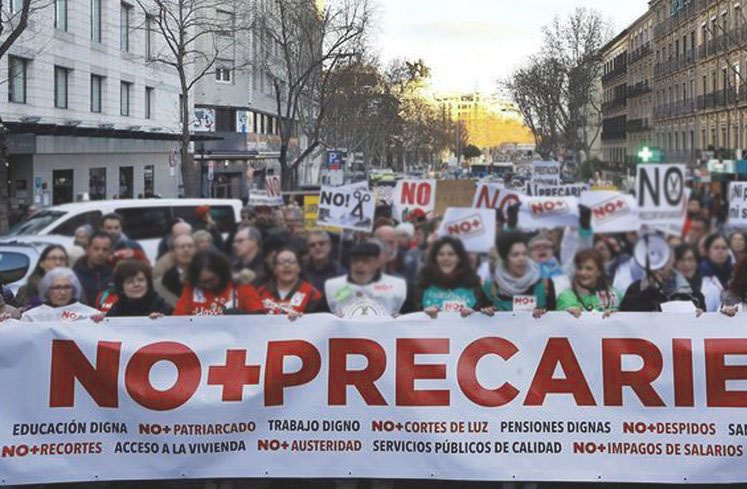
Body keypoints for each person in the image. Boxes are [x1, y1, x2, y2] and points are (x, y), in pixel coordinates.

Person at [324, 241, 409, 318]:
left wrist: (403, 318)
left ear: (377, 263)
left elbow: (411, 318)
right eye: (355, 260)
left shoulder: (397, 286)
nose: (359, 265)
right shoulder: (334, 286)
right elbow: (320, 318)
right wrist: (330, 318)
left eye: (366, 261)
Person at [415, 236, 489, 317]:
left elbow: (484, 316)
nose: (445, 258)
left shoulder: (474, 284)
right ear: (435, 258)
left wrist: (474, 313)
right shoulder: (423, 284)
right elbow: (411, 317)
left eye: (451, 254)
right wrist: (425, 315)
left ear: (459, 258)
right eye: (440, 254)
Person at [483, 233, 556, 314]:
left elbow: (553, 316)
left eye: (524, 254)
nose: (522, 259)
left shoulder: (544, 283)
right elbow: (479, 318)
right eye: (515, 255)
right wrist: (487, 312)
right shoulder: (491, 287)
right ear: (505, 259)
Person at [174, 250, 263, 316]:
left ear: (221, 273)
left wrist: (242, 314)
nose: (206, 285)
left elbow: (260, 316)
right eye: (200, 282)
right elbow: (178, 319)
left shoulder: (240, 286)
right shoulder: (191, 290)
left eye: (210, 280)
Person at [620, 244, 705, 312]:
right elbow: (626, 313)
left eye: (665, 260)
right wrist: (650, 290)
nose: (661, 265)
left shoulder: (691, 291)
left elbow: (703, 326)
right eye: (657, 260)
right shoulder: (636, 288)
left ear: (672, 261)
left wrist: (699, 315)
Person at [258, 247, 323, 318]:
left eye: (291, 261)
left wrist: (301, 319)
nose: (286, 265)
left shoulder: (312, 294)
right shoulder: (261, 293)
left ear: (299, 267)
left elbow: (317, 322)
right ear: (275, 269)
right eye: (281, 262)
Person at [557, 249, 621, 316]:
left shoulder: (616, 293)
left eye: (589, 268)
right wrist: (571, 310)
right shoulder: (566, 296)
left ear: (599, 272)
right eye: (580, 268)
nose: (583, 272)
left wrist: (614, 315)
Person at [21, 268, 100, 321]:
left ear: (74, 290)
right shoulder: (30, 317)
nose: (62, 292)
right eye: (57, 287)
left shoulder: (90, 315)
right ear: (47, 291)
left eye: (67, 287)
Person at [106, 260, 172, 318]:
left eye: (140, 280)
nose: (136, 284)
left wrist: (163, 320)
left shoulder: (162, 307)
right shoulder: (117, 309)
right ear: (121, 288)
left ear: (148, 283)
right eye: (130, 282)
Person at [15, 245, 69, 310]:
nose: (58, 262)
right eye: (53, 258)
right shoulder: (26, 291)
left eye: (62, 259)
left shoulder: (75, 290)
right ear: (42, 263)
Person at [673, 244, 721, 312]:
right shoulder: (667, 288)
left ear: (697, 262)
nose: (686, 264)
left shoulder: (712, 288)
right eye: (681, 260)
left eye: (690, 259)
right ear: (674, 263)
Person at [73, 231, 114, 306]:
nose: (100, 253)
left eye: (105, 249)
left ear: (110, 252)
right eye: (96, 248)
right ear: (87, 249)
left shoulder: (115, 275)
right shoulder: (74, 276)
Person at [155, 234, 196, 306]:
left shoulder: (208, 279)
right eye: (181, 247)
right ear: (172, 252)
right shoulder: (160, 284)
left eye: (190, 246)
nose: (186, 250)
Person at [304, 229, 346, 295]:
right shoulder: (302, 273)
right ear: (308, 250)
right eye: (312, 245)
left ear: (329, 246)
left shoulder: (340, 272)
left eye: (321, 243)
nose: (317, 247)